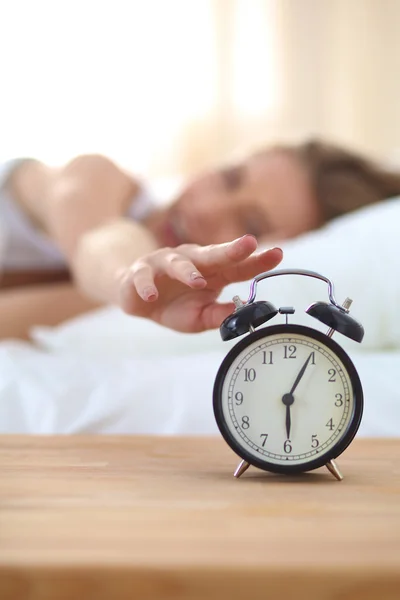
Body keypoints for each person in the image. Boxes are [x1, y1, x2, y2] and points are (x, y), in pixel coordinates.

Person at [1, 139, 399, 339]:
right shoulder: (96, 179)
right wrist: (131, 271)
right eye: (228, 178)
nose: (206, 210)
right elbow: (99, 240)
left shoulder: (147, 301)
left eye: (251, 225)